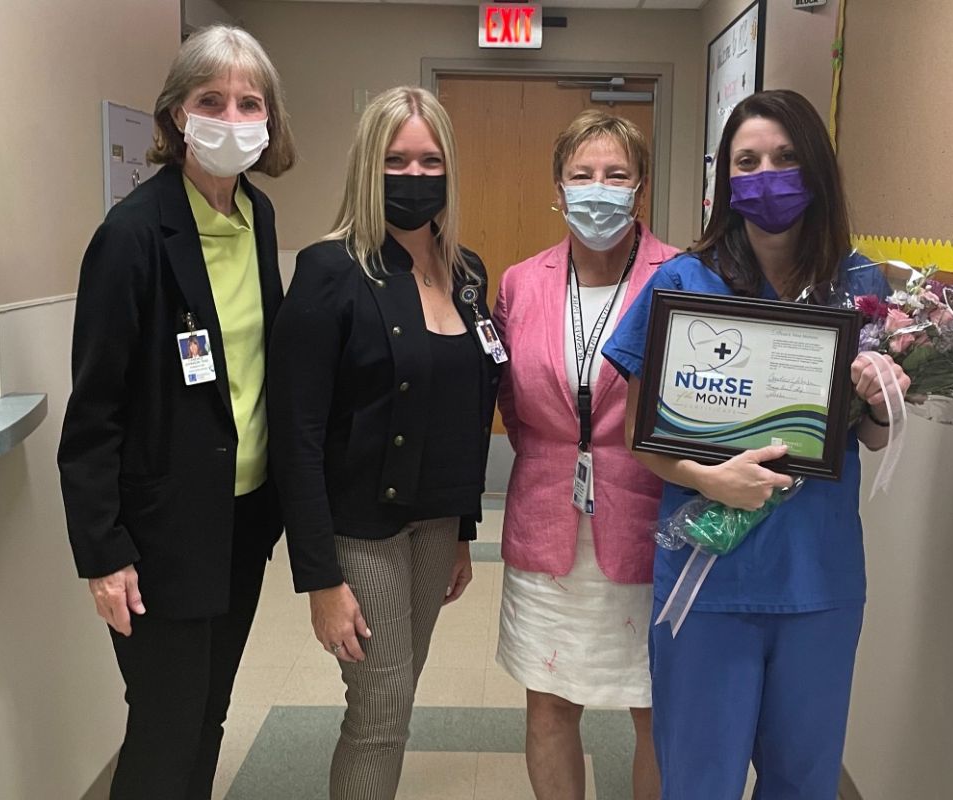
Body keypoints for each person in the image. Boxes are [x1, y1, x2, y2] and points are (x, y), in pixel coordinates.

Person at [602, 90, 911, 800]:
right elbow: (635, 433)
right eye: (748, 161)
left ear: (816, 169)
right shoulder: (685, 280)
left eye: (784, 158)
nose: (766, 174)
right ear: (726, 179)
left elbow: (871, 432)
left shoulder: (858, 285)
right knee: (700, 782)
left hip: (819, 581)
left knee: (804, 783)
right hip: (710, 577)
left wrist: (882, 395)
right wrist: (710, 481)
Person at [57, 25, 296, 800]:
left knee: (210, 715)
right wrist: (102, 553)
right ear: (173, 119)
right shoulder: (131, 236)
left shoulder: (255, 218)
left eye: (249, 102)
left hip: (241, 523)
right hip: (159, 538)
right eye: (210, 101)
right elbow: (93, 413)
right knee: (164, 724)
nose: (232, 117)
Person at [267, 86, 501, 800]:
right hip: (359, 528)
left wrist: (462, 531)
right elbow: (296, 435)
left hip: (435, 524)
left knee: (397, 696)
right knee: (380, 709)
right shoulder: (328, 271)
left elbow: (462, 414)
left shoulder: (467, 275)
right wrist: (319, 580)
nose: (415, 175)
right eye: (397, 159)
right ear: (369, 165)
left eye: (431, 161)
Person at [492, 110, 676, 800]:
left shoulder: (684, 276)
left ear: (641, 188)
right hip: (547, 521)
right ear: (559, 188)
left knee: (658, 709)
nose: (599, 190)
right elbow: (514, 402)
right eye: (583, 175)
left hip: (653, 525)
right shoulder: (521, 282)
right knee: (548, 703)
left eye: (616, 175)